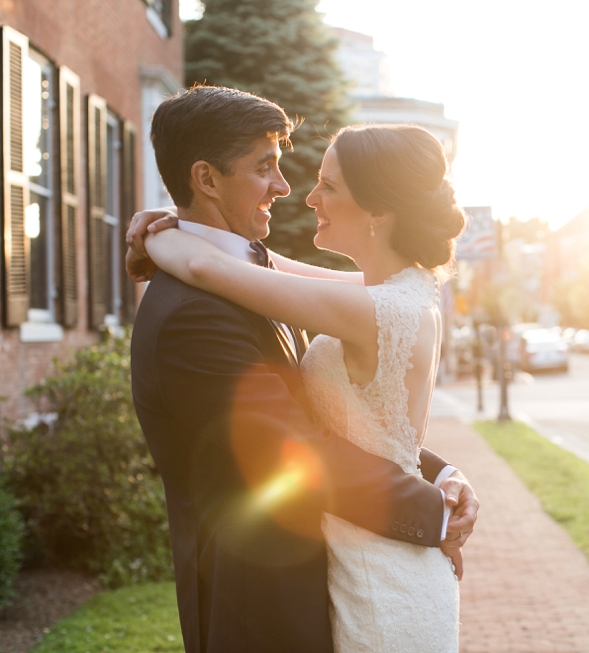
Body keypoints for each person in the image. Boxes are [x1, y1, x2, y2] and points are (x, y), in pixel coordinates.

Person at [127, 85, 476, 653]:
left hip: (348, 581)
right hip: (261, 609)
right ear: (207, 179)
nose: (290, 190)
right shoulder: (193, 315)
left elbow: (335, 413)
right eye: (265, 167)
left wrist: (436, 475)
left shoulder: (258, 276)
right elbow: (298, 450)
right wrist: (433, 509)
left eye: (320, 182)